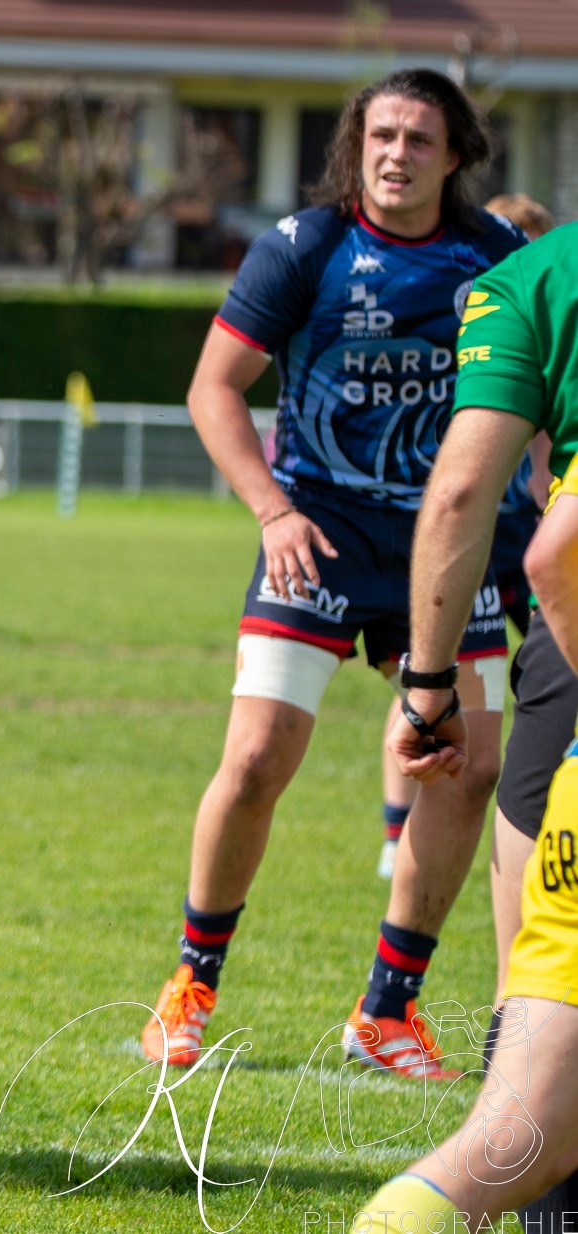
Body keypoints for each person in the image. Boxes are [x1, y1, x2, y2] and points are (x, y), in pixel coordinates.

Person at [139, 67, 526, 1077]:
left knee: (468, 763)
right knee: (260, 754)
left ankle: (387, 1010)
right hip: (317, 539)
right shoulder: (303, 247)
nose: (396, 154)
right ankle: (191, 984)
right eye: (381, 135)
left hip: (447, 549)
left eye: (419, 139)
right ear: (358, 145)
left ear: (455, 157)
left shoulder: (494, 257)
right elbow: (213, 388)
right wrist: (272, 510)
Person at [371, 196, 578, 1229]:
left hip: (569, 646)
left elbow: (476, 506)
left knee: (542, 1004)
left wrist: (429, 686)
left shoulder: (536, 281)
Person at [373, 192, 551, 880]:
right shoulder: (471, 317)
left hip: (523, 532)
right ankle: (398, 833)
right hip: (469, 529)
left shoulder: (541, 317)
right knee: (428, 675)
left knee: (542, 663)